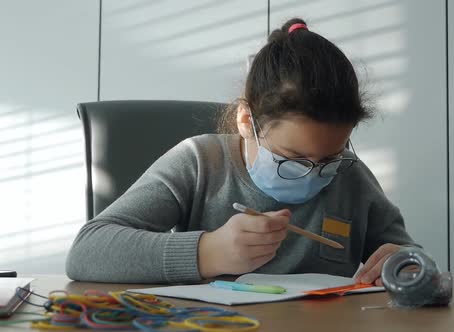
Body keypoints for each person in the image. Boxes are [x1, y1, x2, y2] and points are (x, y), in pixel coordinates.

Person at [66, 18, 418, 286]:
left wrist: (410, 267)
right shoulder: (200, 163)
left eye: (327, 161)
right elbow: (87, 251)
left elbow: (415, 263)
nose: (313, 174)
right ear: (247, 120)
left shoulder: (349, 175)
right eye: (291, 160)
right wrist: (208, 252)